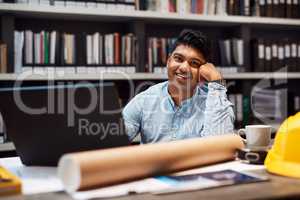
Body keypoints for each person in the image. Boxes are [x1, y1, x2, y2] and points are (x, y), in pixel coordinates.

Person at [122, 29, 234, 144]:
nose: (184, 68)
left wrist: (216, 81)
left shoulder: (216, 103)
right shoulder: (144, 101)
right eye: (178, 59)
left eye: (194, 63)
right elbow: (112, 142)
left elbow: (219, 147)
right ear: (168, 61)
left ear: (203, 71)